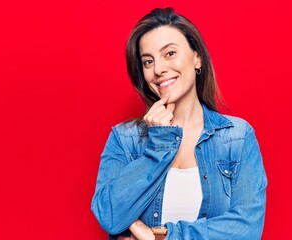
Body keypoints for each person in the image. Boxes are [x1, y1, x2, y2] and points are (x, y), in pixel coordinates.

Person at [91, 7, 267, 240]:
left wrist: (161, 237)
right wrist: (157, 147)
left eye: (170, 53)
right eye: (148, 61)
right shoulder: (124, 139)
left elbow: (247, 228)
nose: (159, 69)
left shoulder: (236, 137)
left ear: (197, 58)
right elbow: (110, 217)